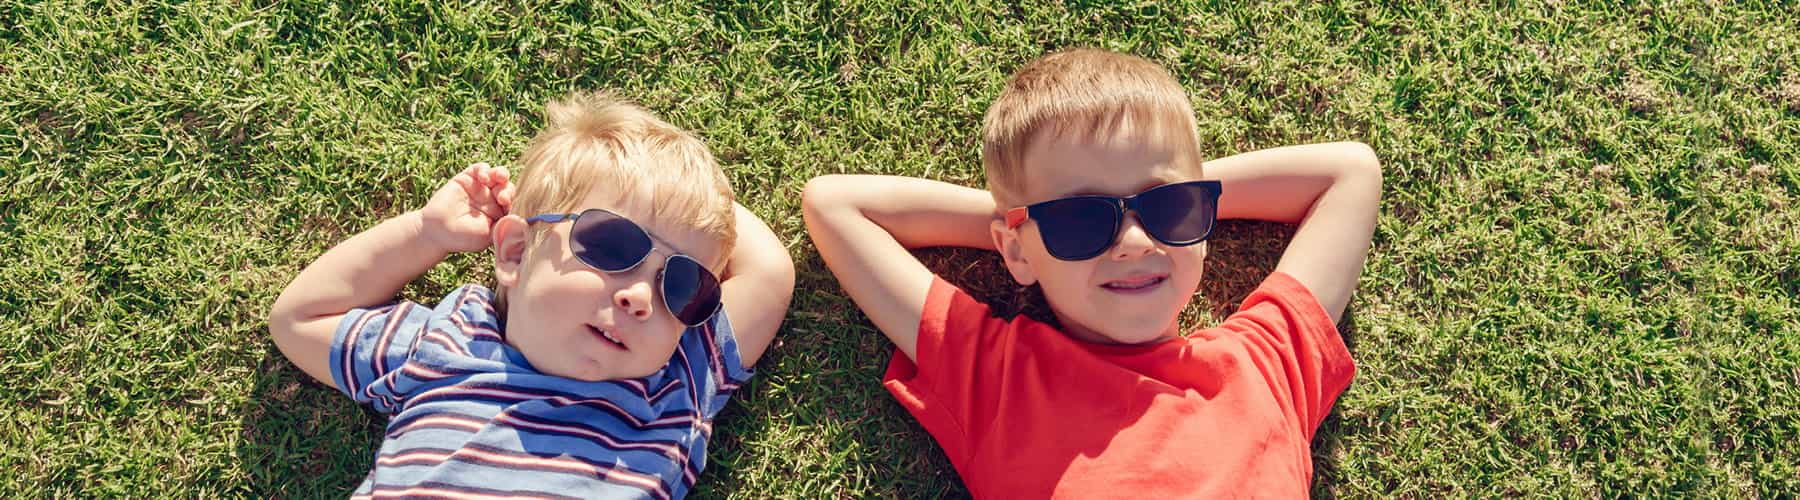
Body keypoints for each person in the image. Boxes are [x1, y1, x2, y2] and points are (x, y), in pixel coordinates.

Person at [801, 48, 1382, 497]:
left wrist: (1164, 199)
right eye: (1080, 221)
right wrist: (1024, 228)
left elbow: (1349, 173)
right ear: (1017, 253)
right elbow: (835, 205)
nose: (1132, 242)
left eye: (1170, 209)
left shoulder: (1265, 364)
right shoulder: (996, 380)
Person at [268, 90, 795, 499]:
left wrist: (693, 201)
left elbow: (766, 275)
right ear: (516, 253)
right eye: (612, 243)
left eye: (681, 285)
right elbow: (300, 318)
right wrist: (426, 235)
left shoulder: (675, 386)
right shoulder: (446, 340)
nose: (639, 296)